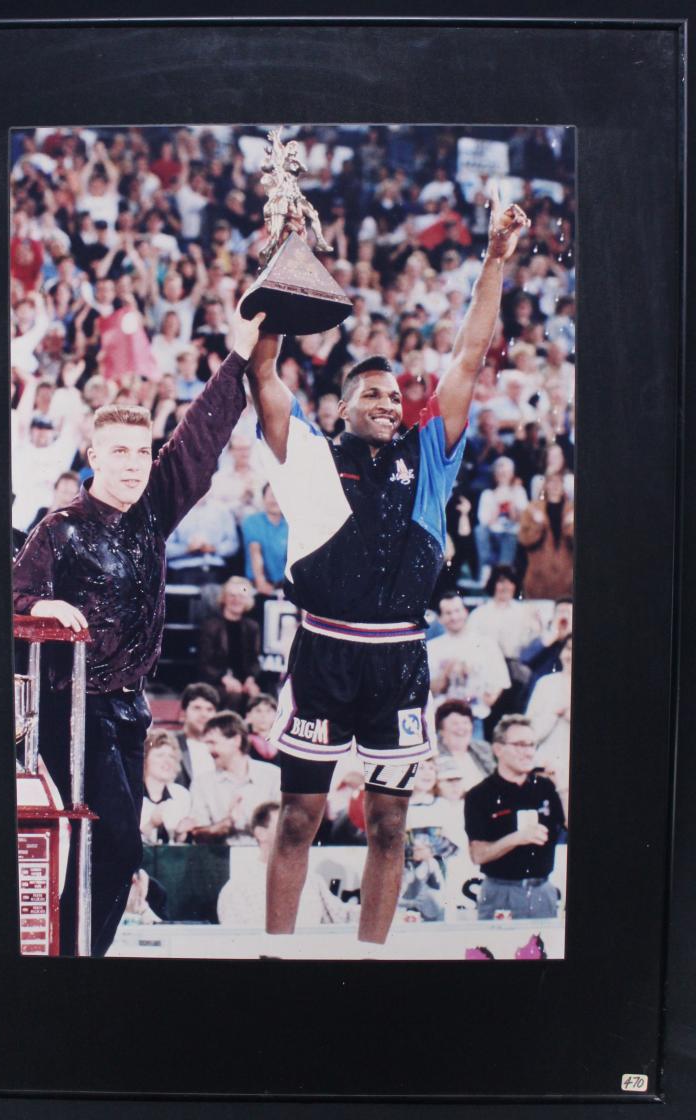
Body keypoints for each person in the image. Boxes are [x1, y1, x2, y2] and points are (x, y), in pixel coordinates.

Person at [246, 182, 529, 946]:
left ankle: (369, 963)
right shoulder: (310, 454)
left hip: (400, 659)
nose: (388, 401)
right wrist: (277, 287)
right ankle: (275, 961)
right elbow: (264, 379)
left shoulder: (427, 454)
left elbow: (467, 356)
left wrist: (494, 261)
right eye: (370, 393)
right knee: (298, 818)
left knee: (391, 825)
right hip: (323, 651)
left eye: (394, 395)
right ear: (341, 408)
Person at [12, 300, 267, 956]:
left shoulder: (153, 509)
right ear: (93, 455)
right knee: (115, 842)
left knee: (112, 852)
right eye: (120, 452)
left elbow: (200, 437)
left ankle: (74, 961)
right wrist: (40, 609)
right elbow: (9, 597)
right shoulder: (59, 528)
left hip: (129, 708)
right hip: (71, 708)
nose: (134, 463)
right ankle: (67, 962)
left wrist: (239, 356)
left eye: (143, 452)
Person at [464, 715, 565, 920]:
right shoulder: (480, 794)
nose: (528, 752)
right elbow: (478, 855)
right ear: (498, 749)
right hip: (500, 892)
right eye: (519, 745)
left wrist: (563, 786)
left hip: (543, 890)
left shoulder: (545, 787)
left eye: (531, 745)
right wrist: (517, 838)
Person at [216, 801, 357, 928]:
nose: (293, 831)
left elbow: (344, 916)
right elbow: (239, 940)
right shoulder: (238, 888)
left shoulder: (312, 880)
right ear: (261, 833)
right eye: (284, 824)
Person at [183, 712, 281, 844]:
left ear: (236, 741)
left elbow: (287, 827)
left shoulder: (273, 776)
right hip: (221, 856)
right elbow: (198, 834)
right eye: (207, 744)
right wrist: (227, 823)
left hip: (267, 855)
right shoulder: (202, 783)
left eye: (213, 743)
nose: (209, 750)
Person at [428, 591, 511, 733]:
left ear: (465, 612)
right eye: (448, 613)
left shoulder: (486, 644)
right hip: (441, 719)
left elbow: (500, 682)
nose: (454, 617)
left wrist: (487, 698)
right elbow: (429, 689)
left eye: (457, 611)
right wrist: (447, 672)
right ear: (440, 618)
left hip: (474, 718)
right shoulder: (432, 647)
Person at [198, 576, 262, 711]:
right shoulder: (210, 626)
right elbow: (205, 663)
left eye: (241, 596)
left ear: (247, 600)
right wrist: (224, 678)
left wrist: (250, 679)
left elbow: (254, 660)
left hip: (243, 681)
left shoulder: (252, 627)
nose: (236, 600)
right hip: (217, 681)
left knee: (258, 697)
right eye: (232, 595)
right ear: (224, 598)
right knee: (234, 695)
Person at [526, 633, 573, 818]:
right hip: (548, 765)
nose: (570, 655)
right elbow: (530, 734)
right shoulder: (545, 684)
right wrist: (554, 714)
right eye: (568, 649)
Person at [517, 470, 574, 600]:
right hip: (538, 574)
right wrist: (538, 525)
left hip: (566, 575)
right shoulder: (532, 509)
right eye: (551, 482)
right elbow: (524, 539)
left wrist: (570, 525)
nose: (555, 486)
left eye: (558, 482)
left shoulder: (573, 510)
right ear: (545, 485)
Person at [139, 730, 191, 845]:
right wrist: (151, 824)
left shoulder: (182, 795)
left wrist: (180, 835)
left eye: (171, 756)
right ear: (145, 759)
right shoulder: (133, 795)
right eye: (160, 755)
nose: (167, 761)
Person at [435, 699, 495, 792]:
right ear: (441, 730)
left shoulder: (483, 749)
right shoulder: (433, 755)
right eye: (455, 723)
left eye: (465, 722)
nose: (461, 728)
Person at [242, 483, 288, 595]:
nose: (276, 500)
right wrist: (261, 582)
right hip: (259, 585)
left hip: (285, 586)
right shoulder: (252, 521)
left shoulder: (291, 524)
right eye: (272, 495)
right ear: (263, 498)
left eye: (280, 495)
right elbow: (255, 552)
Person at [172, 682, 219, 788]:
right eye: (197, 708)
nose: (204, 714)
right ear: (183, 712)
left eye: (209, 709)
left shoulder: (222, 746)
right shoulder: (171, 743)